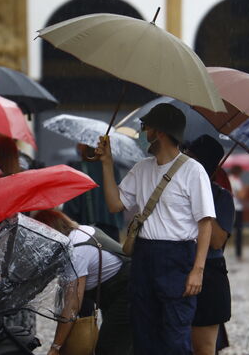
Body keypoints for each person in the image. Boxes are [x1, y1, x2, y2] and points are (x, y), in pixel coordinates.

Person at [96, 102, 215, 355]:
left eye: (146, 126)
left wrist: (198, 270)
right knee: (143, 334)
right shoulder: (141, 169)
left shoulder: (194, 171)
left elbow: (205, 223)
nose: (143, 132)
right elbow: (115, 204)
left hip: (178, 258)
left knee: (175, 337)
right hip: (144, 256)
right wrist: (107, 163)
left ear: (159, 131)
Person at [35, 209, 132, 355]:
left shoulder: (76, 251)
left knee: (109, 347)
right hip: (116, 287)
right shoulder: (81, 231)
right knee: (121, 342)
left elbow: (72, 305)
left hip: (127, 289)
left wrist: (55, 347)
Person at [183, 135, 234, 355]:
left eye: (191, 159)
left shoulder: (221, 197)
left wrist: (202, 196)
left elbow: (217, 241)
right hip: (175, 268)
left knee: (203, 347)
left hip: (209, 275)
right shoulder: (175, 190)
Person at [63, 143, 123, 241]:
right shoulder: (113, 168)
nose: (77, 147)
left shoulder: (78, 168)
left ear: (86, 147)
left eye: (80, 144)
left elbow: (71, 207)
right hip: (113, 230)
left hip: (87, 232)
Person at [228, 165, 246, 260]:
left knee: (227, 231)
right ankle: (238, 254)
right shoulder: (236, 181)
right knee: (238, 232)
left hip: (230, 208)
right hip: (237, 208)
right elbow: (241, 196)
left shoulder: (229, 179)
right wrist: (244, 188)